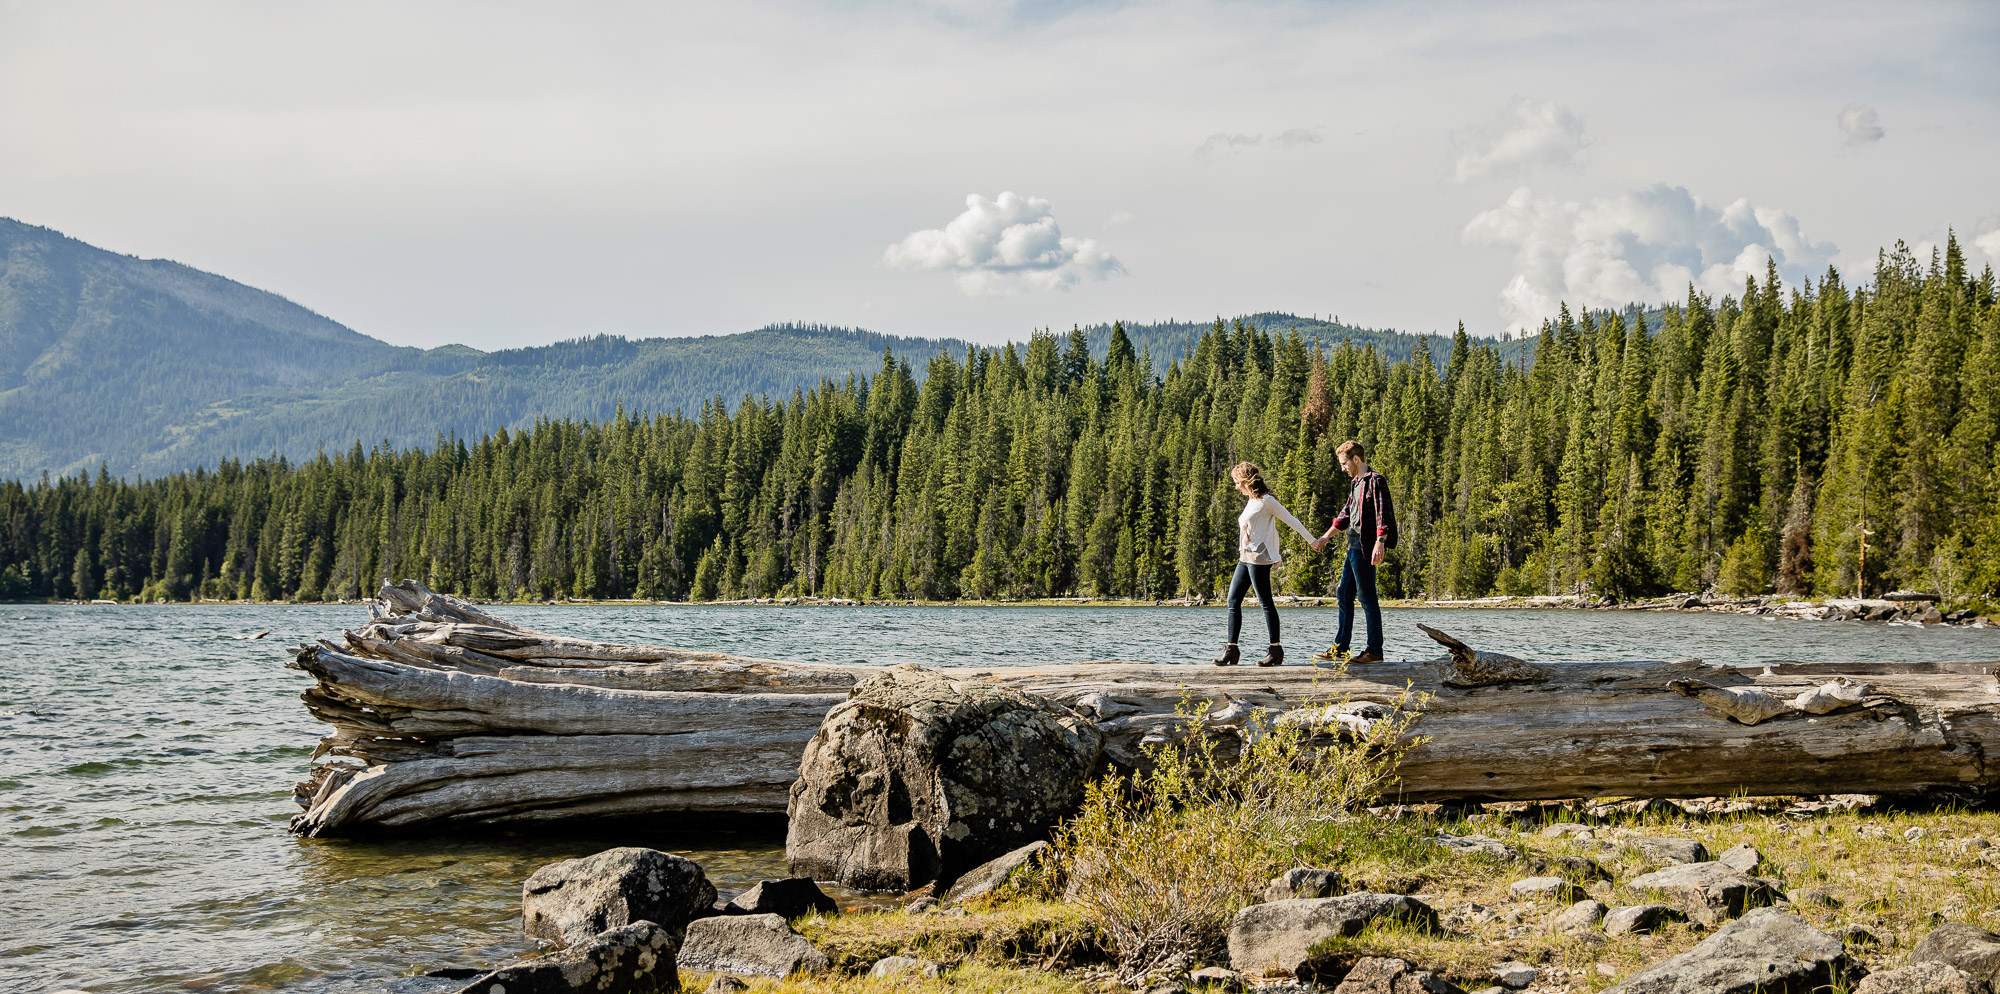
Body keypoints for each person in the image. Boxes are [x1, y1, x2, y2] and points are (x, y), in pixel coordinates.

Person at [1215, 461, 1322, 667]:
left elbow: (1292, 520)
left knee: (1265, 602)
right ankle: (1232, 649)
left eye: (1237, 482)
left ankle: (1275, 649)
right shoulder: (1251, 500)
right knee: (1232, 601)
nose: (1236, 486)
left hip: (1259, 558)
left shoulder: (1267, 501)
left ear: (1246, 482)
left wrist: (1312, 541)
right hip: (1244, 558)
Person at [1314, 440, 1396, 664]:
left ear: (1356, 459)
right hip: (1352, 548)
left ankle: (1374, 651)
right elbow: (1345, 515)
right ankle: (1340, 648)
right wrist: (1325, 537)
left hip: (1366, 548)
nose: (1342, 468)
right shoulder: (1356, 483)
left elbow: (1383, 515)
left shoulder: (1375, 481)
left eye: (1344, 463)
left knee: (1367, 598)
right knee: (1343, 594)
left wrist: (1381, 541)